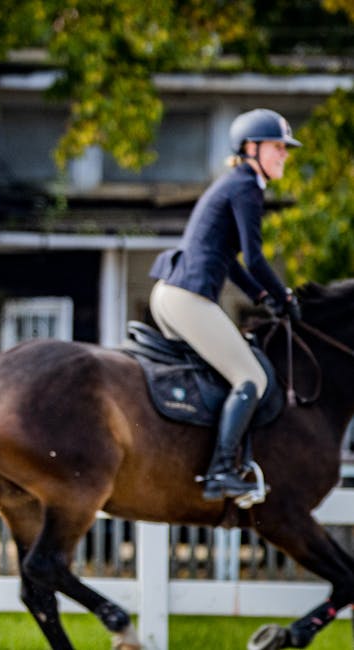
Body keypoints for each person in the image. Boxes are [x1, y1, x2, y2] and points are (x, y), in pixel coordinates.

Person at [148, 108, 303, 502]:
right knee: (252, 378)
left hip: (169, 294)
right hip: (189, 297)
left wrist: (263, 297)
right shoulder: (246, 187)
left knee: (222, 373)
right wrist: (284, 296)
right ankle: (221, 471)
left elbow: (232, 263)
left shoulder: (233, 183)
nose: (284, 154)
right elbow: (254, 258)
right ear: (251, 148)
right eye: (277, 147)